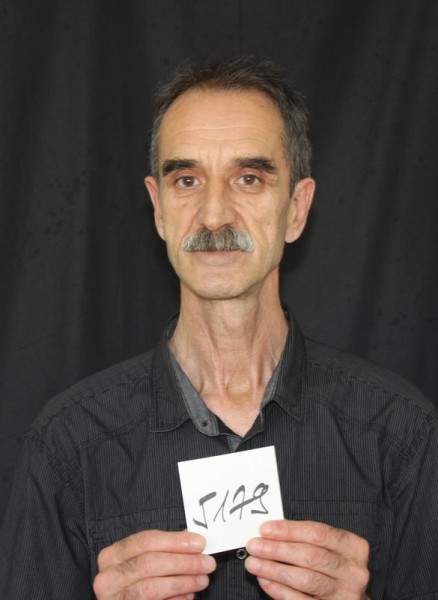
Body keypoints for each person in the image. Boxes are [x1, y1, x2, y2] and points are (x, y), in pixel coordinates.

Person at [1, 57, 437, 600]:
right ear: (159, 208)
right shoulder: (70, 444)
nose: (213, 216)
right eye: (187, 180)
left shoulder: (401, 434)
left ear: (297, 209)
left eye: (249, 178)